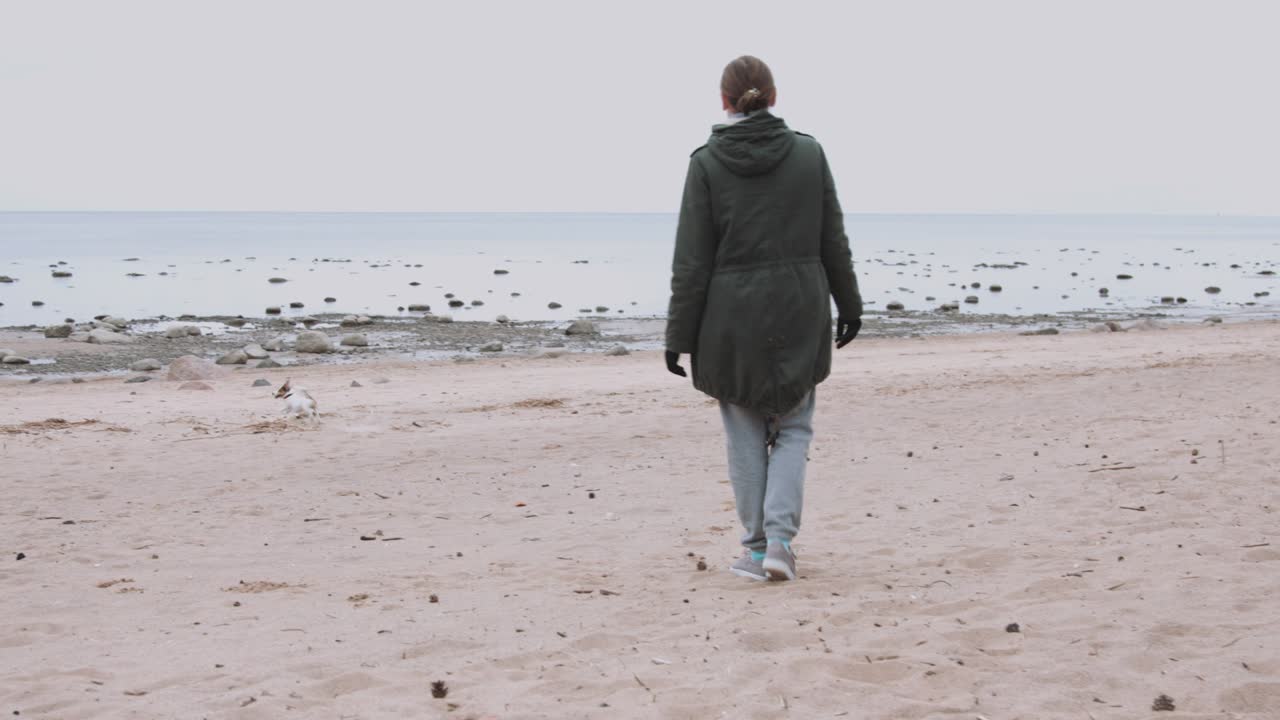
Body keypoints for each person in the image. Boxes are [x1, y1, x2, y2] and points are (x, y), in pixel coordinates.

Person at [664, 55, 863, 582]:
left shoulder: (705, 162)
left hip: (730, 318)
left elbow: (691, 261)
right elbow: (832, 240)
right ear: (773, 97)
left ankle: (755, 549)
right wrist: (850, 303)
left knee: (745, 435)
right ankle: (779, 544)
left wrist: (677, 336)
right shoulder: (808, 153)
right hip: (799, 306)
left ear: (724, 101)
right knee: (794, 429)